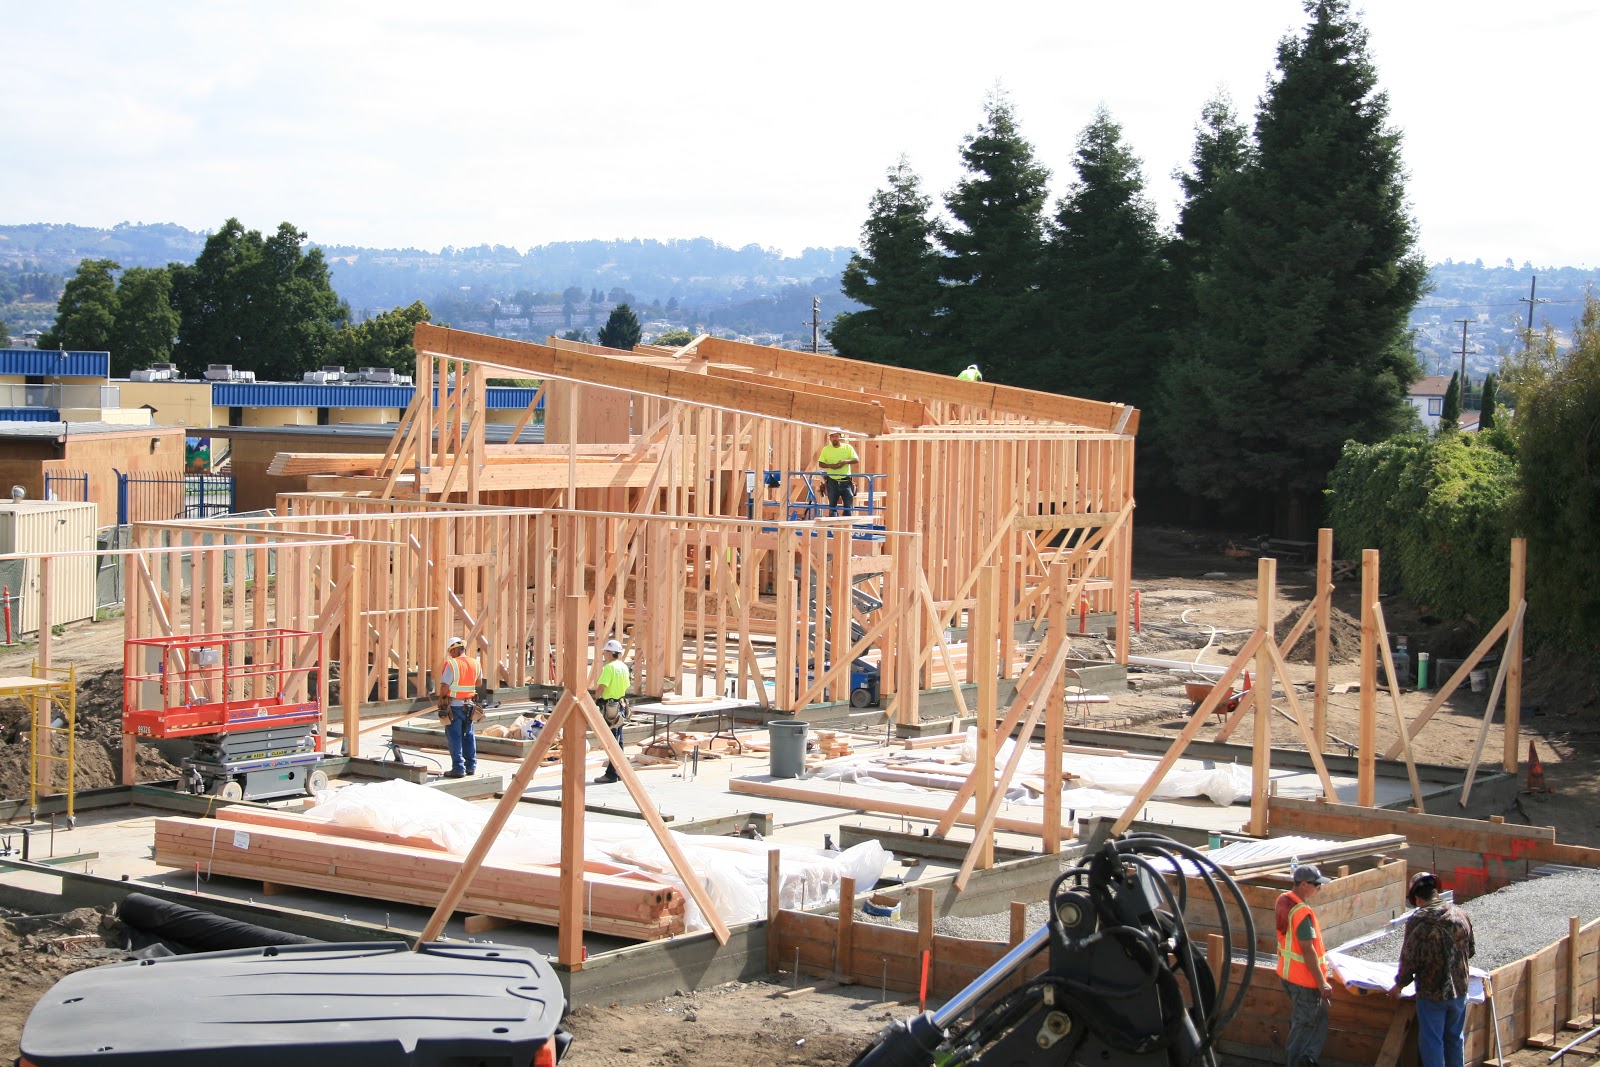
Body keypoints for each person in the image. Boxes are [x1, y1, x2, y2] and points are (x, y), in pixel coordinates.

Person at [1390, 871, 1476, 1067]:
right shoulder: (1462, 914)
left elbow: (1409, 959)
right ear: (1437, 892)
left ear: (1416, 898)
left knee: (1432, 1042)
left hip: (1432, 992)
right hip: (1460, 991)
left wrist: (1399, 985)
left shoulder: (1418, 920)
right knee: (1455, 1039)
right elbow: (1470, 951)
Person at [1276, 864, 1335, 1067]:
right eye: (1315, 884)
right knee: (1303, 1027)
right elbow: (1307, 949)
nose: (1318, 888)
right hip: (1305, 981)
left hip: (1289, 975)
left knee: (1315, 1019)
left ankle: (1307, 1059)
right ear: (1303, 884)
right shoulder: (1301, 912)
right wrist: (1322, 983)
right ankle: (1297, 1062)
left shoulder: (1284, 901)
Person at [436, 636, 480, 779]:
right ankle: (471, 767)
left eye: (450, 652)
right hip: (470, 706)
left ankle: (458, 769)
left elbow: (444, 686)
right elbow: (478, 683)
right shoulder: (475, 663)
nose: (450, 655)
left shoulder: (452, 664)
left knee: (454, 737)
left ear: (454, 650)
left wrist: (442, 699)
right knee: (469, 736)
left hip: (454, 706)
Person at [591, 637, 631, 784]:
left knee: (612, 740)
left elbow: (602, 687)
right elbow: (626, 686)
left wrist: (596, 699)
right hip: (620, 705)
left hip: (610, 707)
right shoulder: (623, 667)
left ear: (610, 653)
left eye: (605, 652)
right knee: (618, 740)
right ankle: (619, 771)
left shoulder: (609, 668)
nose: (603, 655)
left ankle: (612, 774)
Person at [814, 428, 859, 517]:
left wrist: (845, 462)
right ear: (830, 438)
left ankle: (846, 528)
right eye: (833, 436)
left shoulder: (847, 447)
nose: (834, 438)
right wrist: (830, 466)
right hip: (832, 482)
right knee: (832, 507)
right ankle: (833, 529)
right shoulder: (826, 449)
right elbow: (821, 463)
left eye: (836, 436)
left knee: (848, 507)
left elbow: (856, 460)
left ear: (840, 438)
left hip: (845, 482)